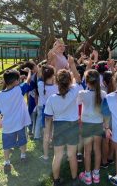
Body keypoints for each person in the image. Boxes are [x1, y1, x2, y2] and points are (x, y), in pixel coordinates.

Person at [44, 56, 82, 186]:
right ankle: (74, 179)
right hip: (72, 126)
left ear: (56, 82)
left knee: (58, 155)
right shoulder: (75, 90)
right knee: (72, 155)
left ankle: (56, 180)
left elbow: (48, 120)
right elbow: (79, 79)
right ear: (70, 81)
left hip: (59, 126)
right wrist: (72, 64)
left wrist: (48, 136)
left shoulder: (51, 99)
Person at [0, 68, 32, 174]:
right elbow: (28, 82)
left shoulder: (0, 95)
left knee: (7, 145)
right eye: (18, 79)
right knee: (22, 140)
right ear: (16, 82)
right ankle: (23, 156)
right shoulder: (18, 90)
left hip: (7, 125)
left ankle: (6, 162)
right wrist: (29, 73)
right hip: (20, 123)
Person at [78, 69, 107, 185]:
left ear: (87, 81)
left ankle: (88, 175)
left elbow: (78, 104)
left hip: (86, 124)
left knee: (87, 151)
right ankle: (96, 175)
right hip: (98, 124)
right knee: (97, 149)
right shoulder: (103, 94)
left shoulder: (82, 93)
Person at [37, 65, 58, 162]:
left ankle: (45, 156)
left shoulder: (41, 84)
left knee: (46, 134)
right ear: (53, 75)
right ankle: (56, 153)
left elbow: (40, 78)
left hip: (46, 111)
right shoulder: (56, 86)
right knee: (55, 132)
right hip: (56, 110)